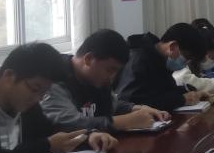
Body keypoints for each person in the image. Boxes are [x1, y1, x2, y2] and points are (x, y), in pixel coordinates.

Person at [38, 29, 170, 132]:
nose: (112, 77)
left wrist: (137, 109)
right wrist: (125, 121)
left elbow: (112, 105)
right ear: (88, 59)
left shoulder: (96, 80)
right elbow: (67, 124)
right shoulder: (53, 80)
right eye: (110, 70)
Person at [116, 24, 209, 111]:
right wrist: (182, 99)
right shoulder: (138, 60)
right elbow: (130, 103)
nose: (186, 63)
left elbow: (165, 91)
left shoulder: (160, 59)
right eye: (187, 57)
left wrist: (192, 92)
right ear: (172, 47)